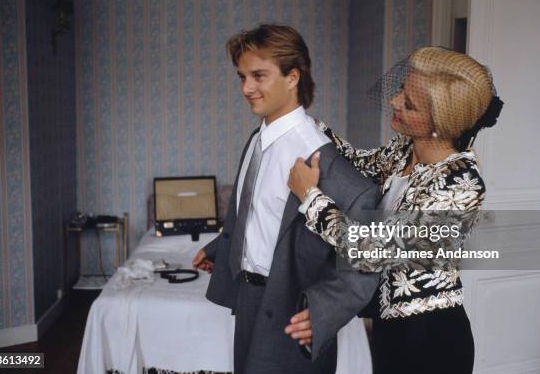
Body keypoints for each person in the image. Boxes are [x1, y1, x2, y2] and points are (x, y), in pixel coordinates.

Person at [284, 46, 504, 374]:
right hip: (389, 329)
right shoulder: (405, 149)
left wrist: (311, 198)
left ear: (438, 123)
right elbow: (356, 162)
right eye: (402, 89)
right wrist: (307, 126)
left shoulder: (460, 186)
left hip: (432, 339)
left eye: (409, 103)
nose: (394, 101)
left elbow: (371, 251)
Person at [192, 24, 380, 374]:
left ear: (292, 77)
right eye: (242, 76)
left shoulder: (327, 165)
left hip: (292, 314)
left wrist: (323, 311)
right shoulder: (257, 139)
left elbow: (369, 260)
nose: (246, 88)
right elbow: (258, 215)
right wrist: (221, 247)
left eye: (258, 76)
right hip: (248, 301)